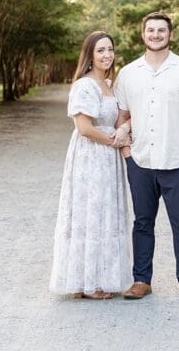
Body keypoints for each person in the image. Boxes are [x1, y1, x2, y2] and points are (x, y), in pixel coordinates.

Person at [114, 12, 179, 302]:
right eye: (150, 30)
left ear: (170, 35)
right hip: (141, 160)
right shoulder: (129, 73)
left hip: (178, 160)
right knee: (142, 222)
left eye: (161, 30)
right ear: (142, 34)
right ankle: (141, 279)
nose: (155, 34)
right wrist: (126, 151)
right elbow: (123, 116)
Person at [50, 31, 132, 299]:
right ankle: (88, 283)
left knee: (105, 214)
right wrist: (115, 140)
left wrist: (124, 132)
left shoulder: (109, 84)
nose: (107, 55)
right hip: (92, 156)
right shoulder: (85, 85)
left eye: (110, 49)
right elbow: (84, 128)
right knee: (92, 213)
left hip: (108, 157)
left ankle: (98, 278)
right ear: (90, 55)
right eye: (100, 50)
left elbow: (121, 117)